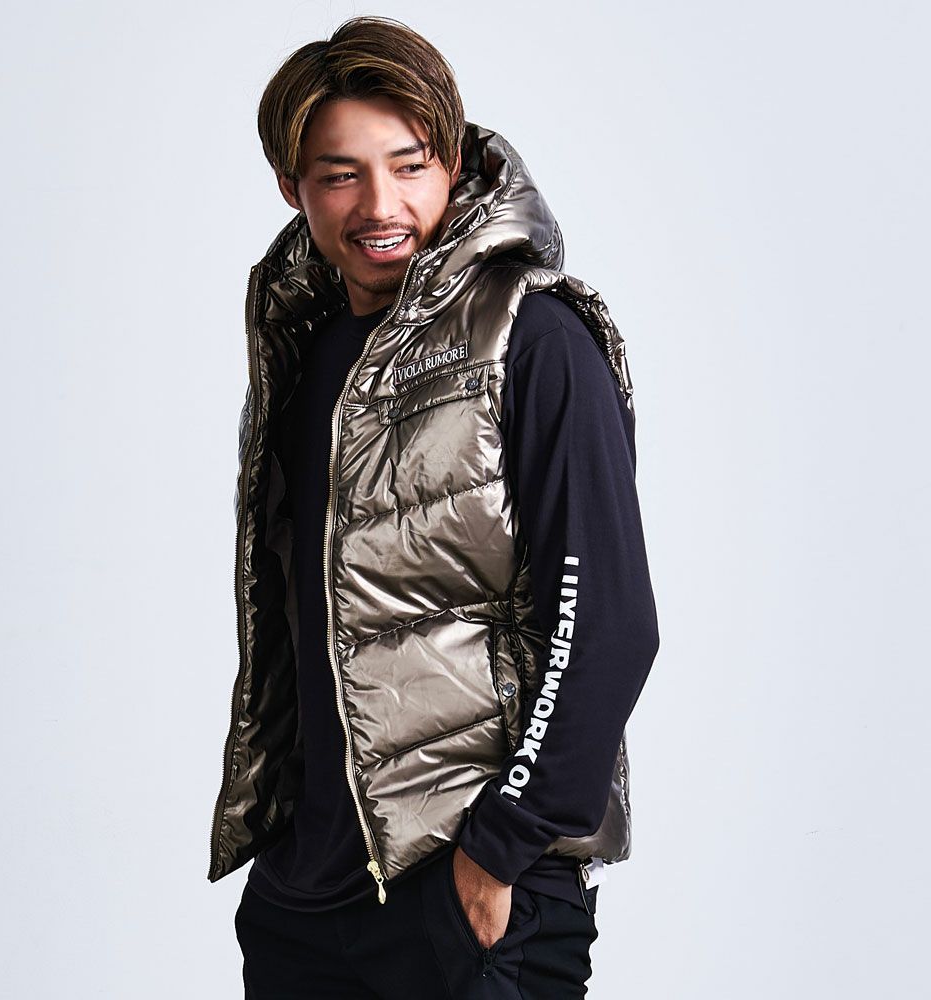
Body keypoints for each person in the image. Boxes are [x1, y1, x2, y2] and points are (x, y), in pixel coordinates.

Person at [208, 15, 660, 999]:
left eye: (409, 165)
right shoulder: (303, 352)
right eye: (340, 174)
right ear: (291, 186)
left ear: (453, 161)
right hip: (306, 899)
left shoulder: (533, 339)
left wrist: (498, 851)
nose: (381, 204)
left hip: (468, 893)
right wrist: (277, 857)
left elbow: (608, 625)